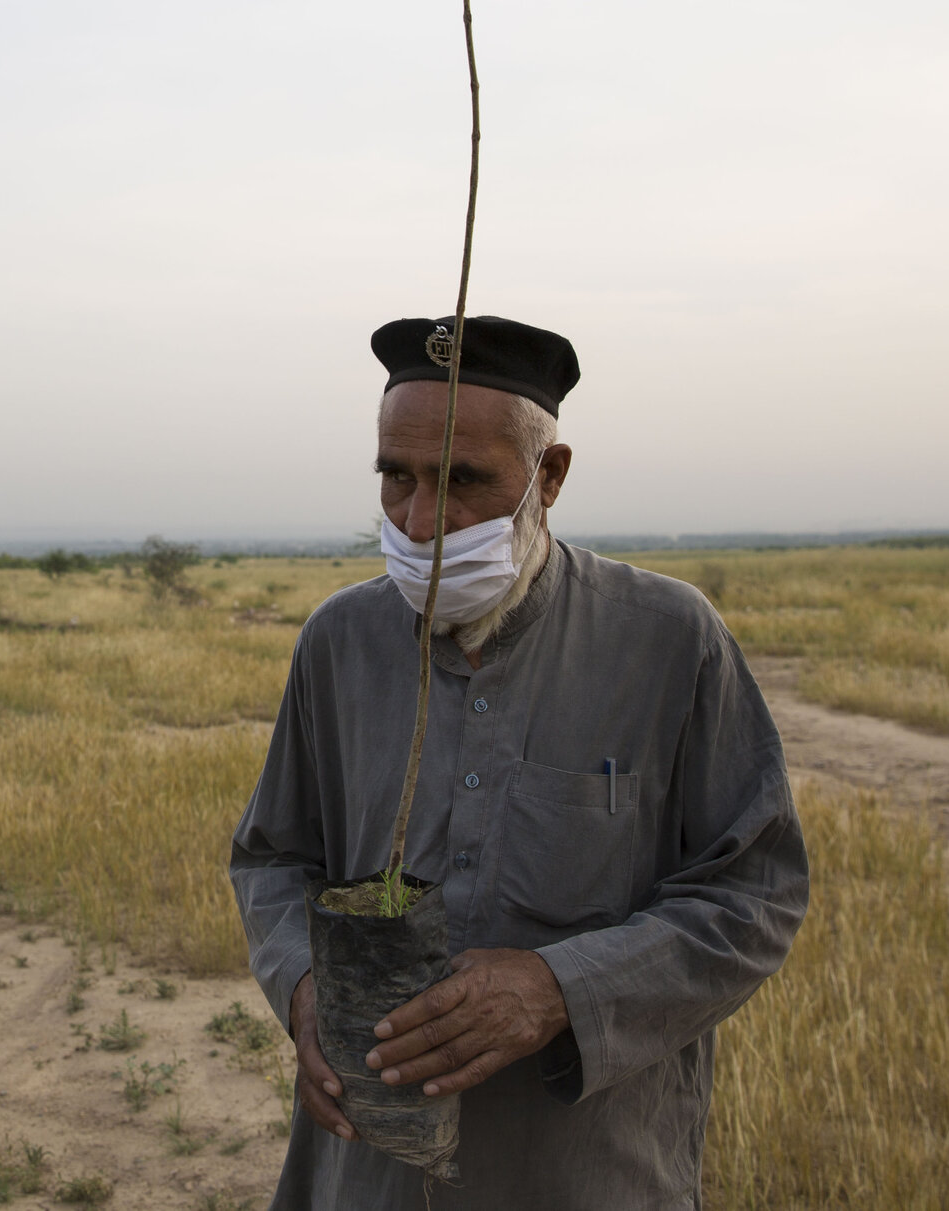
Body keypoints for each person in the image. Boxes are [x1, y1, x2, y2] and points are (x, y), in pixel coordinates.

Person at [230, 315, 808, 1209]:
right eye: (395, 477)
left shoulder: (668, 639)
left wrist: (560, 989)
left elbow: (755, 893)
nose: (419, 522)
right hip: (365, 1174)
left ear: (552, 476)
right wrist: (304, 986)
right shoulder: (336, 641)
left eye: (462, 481)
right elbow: (272, 858)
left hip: (587, 1171)